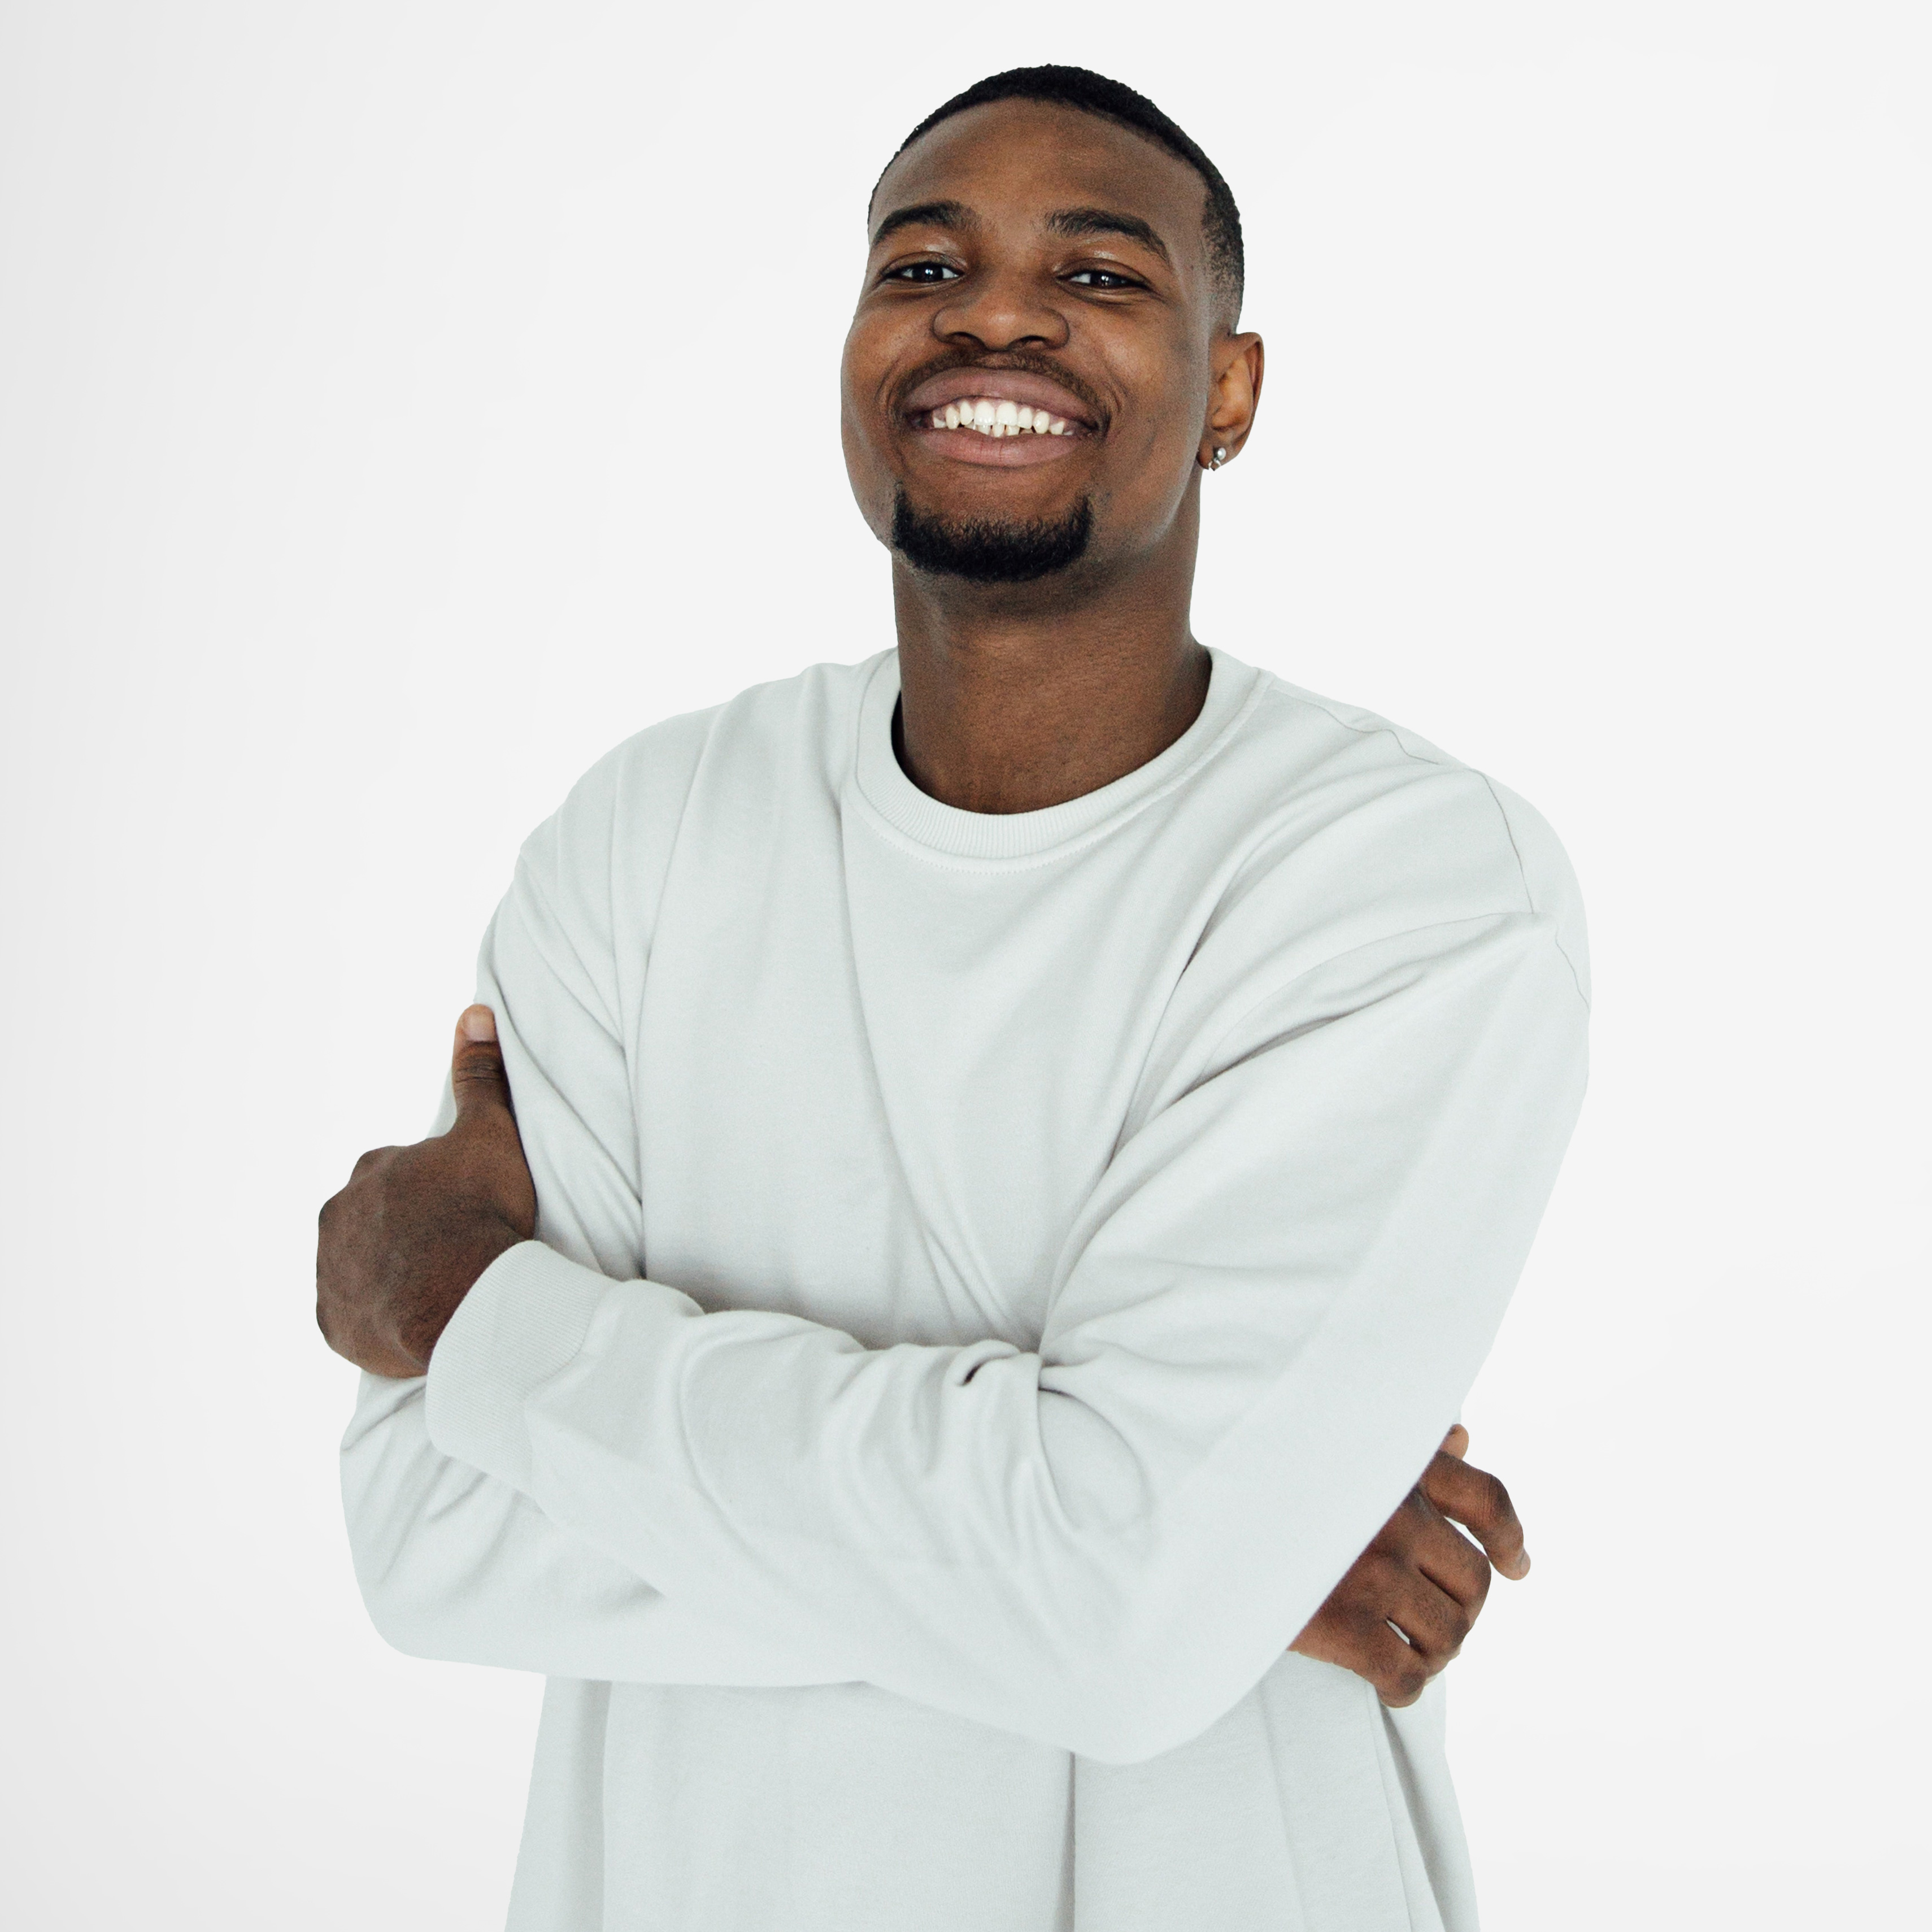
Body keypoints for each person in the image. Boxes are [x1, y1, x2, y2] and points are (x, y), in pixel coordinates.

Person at [318, 64, 1590, 1932]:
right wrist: (1198, 1554)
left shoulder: (1401, 882)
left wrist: (478, 1317)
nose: (993, 317)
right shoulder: (644, 838)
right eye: (922, 267)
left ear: (1229, 393)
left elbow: (1120, 1603)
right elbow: (432, 1532)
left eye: (1099, 274)